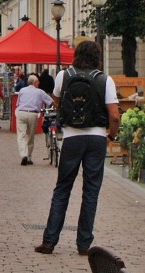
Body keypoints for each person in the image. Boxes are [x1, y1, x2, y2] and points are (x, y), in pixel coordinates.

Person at [35, 40, 119, 256]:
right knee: (91, 191)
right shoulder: (104, 79)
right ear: (97, 57)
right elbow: (114, 114)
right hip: (97, 138)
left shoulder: (64, 75)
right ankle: (84, 243)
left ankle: (49, 241)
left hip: (72, 137)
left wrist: (69, 114)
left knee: (62, 188)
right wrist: (112, 134)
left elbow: (56, 101)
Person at [15, 74, 54, 165]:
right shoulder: (40, 92)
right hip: (33, 114)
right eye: (38, 81)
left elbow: (18, 104)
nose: (39, 83)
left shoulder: (22, 90)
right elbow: (51, 101)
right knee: (30, 136)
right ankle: (28, 156)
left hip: (21, 113)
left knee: (21, 135)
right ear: (34, 82)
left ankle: (23, 154)